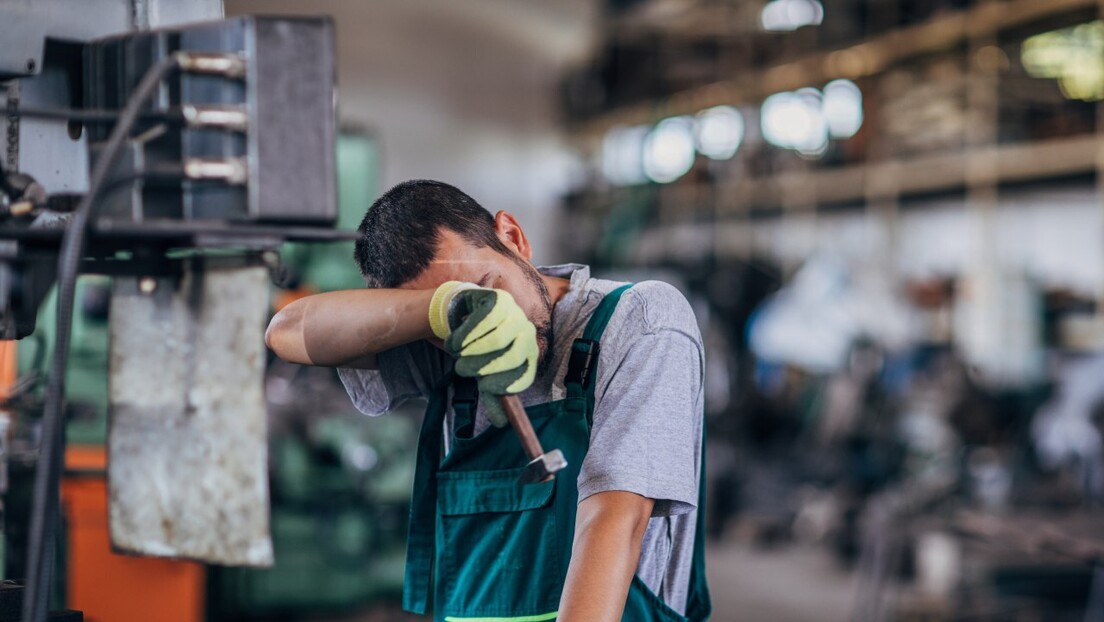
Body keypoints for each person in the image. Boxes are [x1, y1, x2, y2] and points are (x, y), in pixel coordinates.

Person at [265, 180, 711, 622]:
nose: (496, 317)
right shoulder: (448, 340)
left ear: (513, 237)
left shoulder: (641, 320)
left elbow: (615, 519)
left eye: (489, 285)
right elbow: (287, 332)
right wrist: (444, 310)